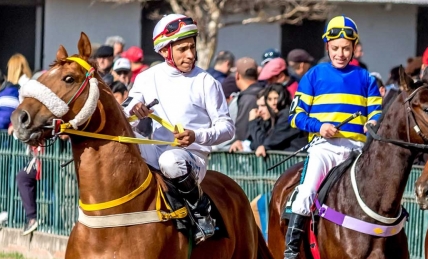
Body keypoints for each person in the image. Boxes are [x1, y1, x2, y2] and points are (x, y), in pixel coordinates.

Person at [280, 15, 382, 259]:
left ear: (354, 48)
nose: (340, 53)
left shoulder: (365, 77)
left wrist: (372, 125)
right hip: (324, 149)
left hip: (356, 152)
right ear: (327, 46)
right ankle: (291, 252)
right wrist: (320, 127)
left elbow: (375, 114)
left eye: (346, 48)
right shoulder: (313, 76)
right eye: (335, 48)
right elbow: (296, 117)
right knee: (305, 193)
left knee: (382, 195)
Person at [125, 13, 235, 243]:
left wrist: (197, 136)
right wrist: (134, 110)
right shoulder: (147, 78)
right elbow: (125, 111)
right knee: (124, 139)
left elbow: (227, 129)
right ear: (165, 50)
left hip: (191, 157)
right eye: (183, 49)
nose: (191, 55)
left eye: (192, 47)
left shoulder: (207, 82)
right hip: (155, 149)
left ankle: (201, 212)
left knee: (170, 160)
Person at [253, 84, 306, 157]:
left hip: (296, 160)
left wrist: (252, 123)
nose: (273, 103)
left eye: (276, 98)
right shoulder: (273, 118)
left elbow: (270, 141)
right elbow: (257, 143)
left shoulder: (287, 115)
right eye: (269, 99)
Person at [228, 57, 263, 152]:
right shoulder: (266, 93)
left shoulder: (245, 98)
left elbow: (241, 131)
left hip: (245, 153)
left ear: (237, 75)